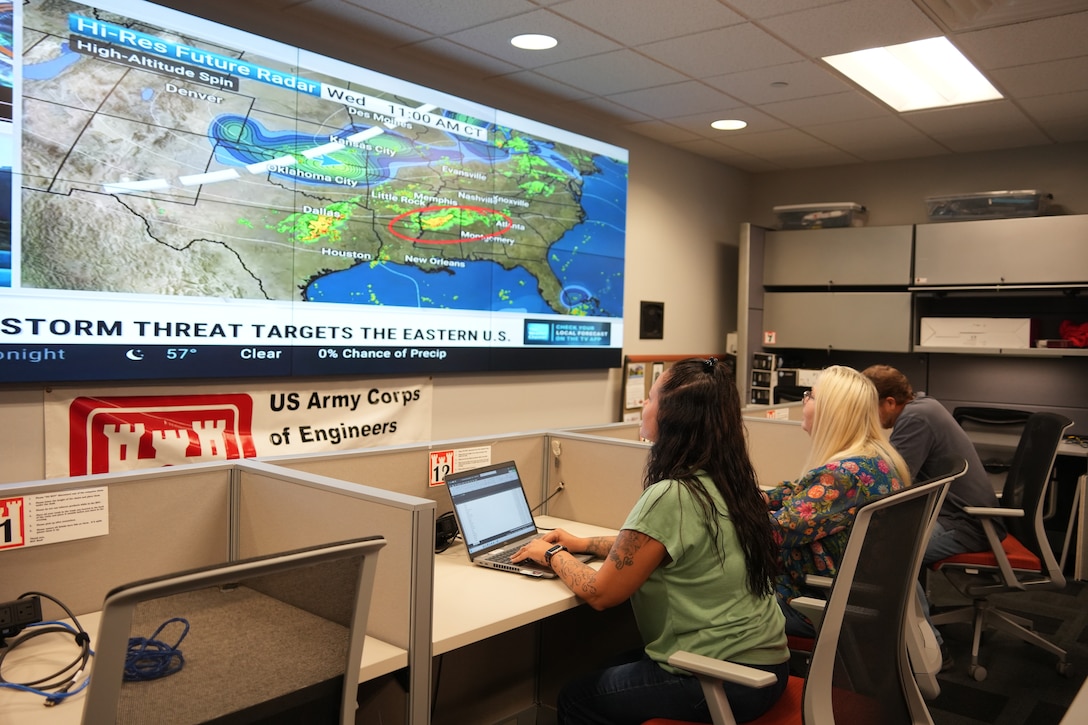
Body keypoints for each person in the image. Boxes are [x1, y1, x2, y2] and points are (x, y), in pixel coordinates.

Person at [512, 357, 789, 724]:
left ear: (675, 416)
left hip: (720, 680)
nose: (644, 405)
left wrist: (551, 554)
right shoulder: (729, 483)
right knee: (608, 666)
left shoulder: (672, 495)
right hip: (766, 670)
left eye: (651, 397)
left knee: (576, 697)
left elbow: (600, 593)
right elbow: (660, 547)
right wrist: (583, 544)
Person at [764, 365, 911, 638]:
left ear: (831, 412)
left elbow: (771, 533)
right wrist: (757, 496)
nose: (804, 401)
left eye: (810, 395)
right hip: (854, 597)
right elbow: (801, 493)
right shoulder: (872, 461)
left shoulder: (841, 477)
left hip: (811, 603)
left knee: (711, 602)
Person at [860, 365, 1003, 565]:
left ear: (890, 402)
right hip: (953, 515)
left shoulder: (915, 419)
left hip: (967, 525)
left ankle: (913, 598)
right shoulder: (923, 405)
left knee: (882, 555)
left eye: (868, 408)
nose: (866, 416)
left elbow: (893, 482)